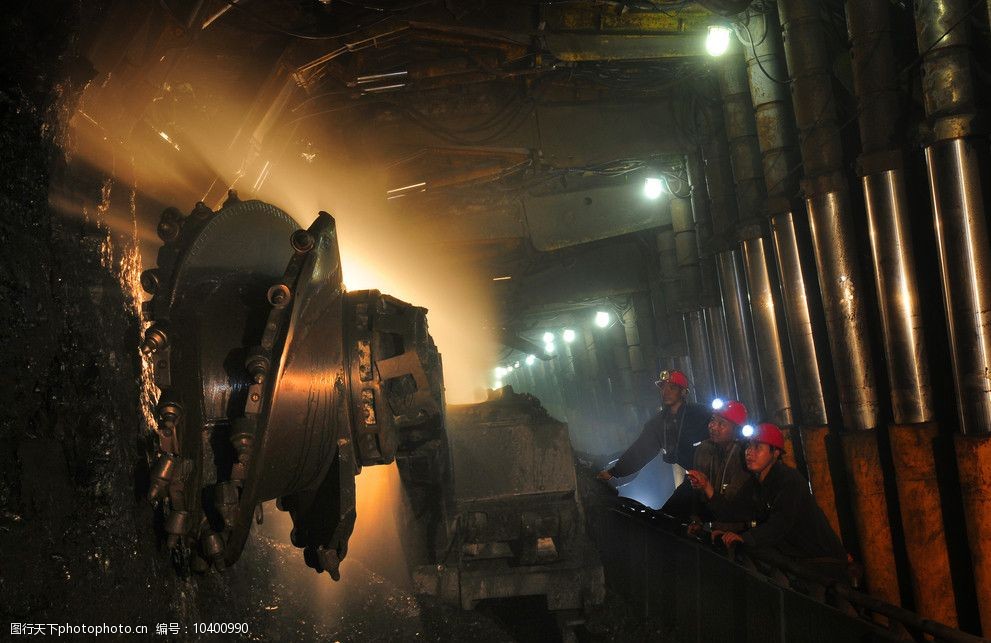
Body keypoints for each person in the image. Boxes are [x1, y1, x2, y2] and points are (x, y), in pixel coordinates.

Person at [712, 423, 848, 582]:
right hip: (796, 559)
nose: (749, 451)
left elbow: (780, 523)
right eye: (748, 446)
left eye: (757, 447)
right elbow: (735, 510)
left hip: (822, 562)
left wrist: (744, 538)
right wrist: (707, 489)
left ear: (775, 452)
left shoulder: (789, 480)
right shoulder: (756, 483)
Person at [596, 370, 710, 483]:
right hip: (697, 478)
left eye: (672, 388)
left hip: (716, 471)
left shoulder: (701, 413)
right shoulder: (659, 423)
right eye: (663, 387)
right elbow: (640, 451)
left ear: (683, 392)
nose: (666, 392)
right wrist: (613, 472)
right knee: (679, 496)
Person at [682, 400, 751, 528]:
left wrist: (706, 486)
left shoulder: (744, 455)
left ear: (737, 430)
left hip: (736, 525)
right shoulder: (704, 449)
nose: (713, 426)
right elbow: (696, 494)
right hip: (710, 521)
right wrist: (696, 519)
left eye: (722, 423)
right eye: (713, 420)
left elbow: (734, 506)